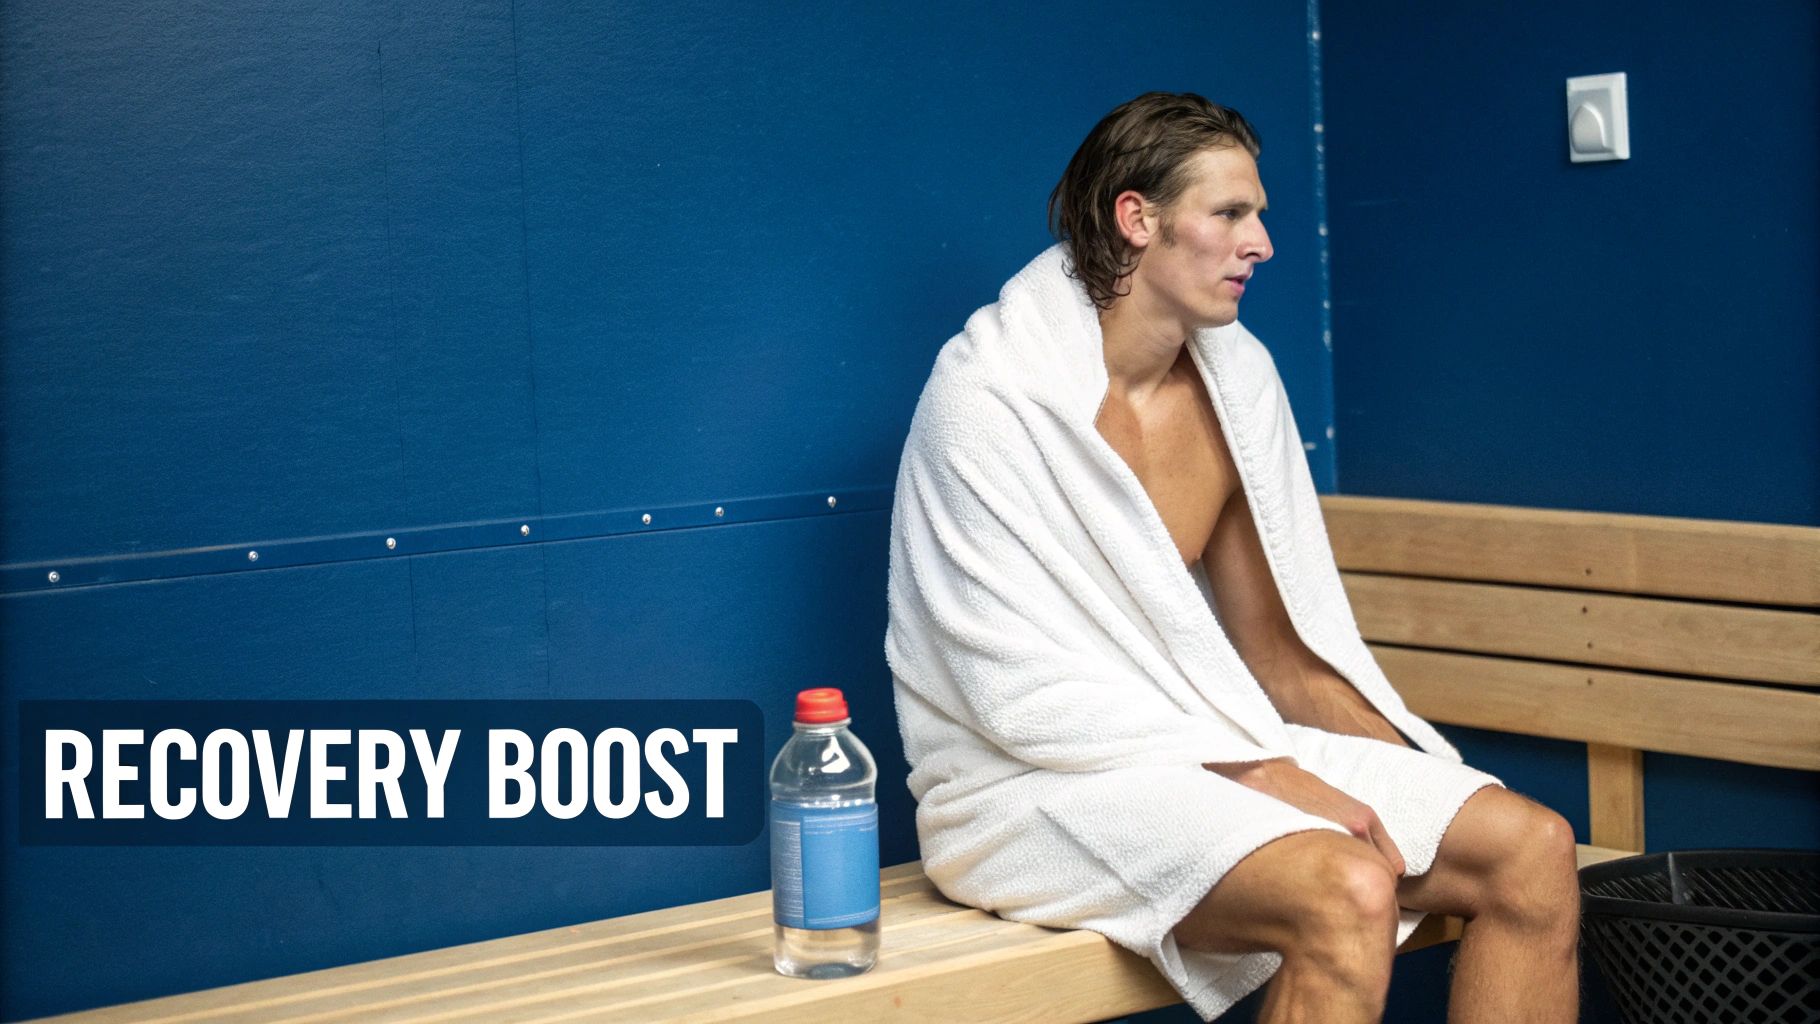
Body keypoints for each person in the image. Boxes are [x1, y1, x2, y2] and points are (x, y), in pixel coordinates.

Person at [884, 92, 1581, 1023]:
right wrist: (1268, 776)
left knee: (1531, 848)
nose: (1262, 243)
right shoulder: (991, 399)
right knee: (1348, 889)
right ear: (1138, 219)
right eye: (1230, 214)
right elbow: (1008, 690)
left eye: (1259, 215)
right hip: (1024, 791)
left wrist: (1420, 785)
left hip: (1207, 749)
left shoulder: (1234, 379)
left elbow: (1279, 652)